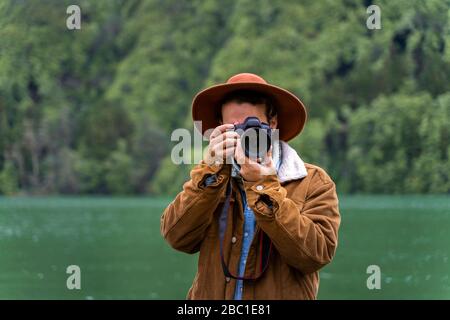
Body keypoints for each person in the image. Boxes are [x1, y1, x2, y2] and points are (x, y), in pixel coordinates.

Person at [160, 73, 341, 299]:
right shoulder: (211, 178)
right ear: (219, 129)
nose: (242, 135)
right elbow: (177, 237)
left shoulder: (312, 180)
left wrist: (263, 186)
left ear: (272, 124)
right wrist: (211, 171)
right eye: (232, 128)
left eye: (250, 126)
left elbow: (316, 255)